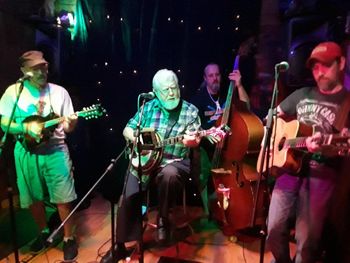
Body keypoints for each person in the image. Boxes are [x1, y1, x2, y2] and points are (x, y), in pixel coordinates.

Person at [100, 69, 223, 263]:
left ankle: (163, 218)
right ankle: (121, 245)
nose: (172, 93)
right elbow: (127, 129)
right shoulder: (148, 107)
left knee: (170, 174)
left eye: (174, 87)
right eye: (166, 90)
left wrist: (192, 141)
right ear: (155, 92)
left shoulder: (189, 110)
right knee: (129, 192)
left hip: (174, 161)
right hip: (145, 160)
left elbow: (195, 141)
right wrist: (137, 139)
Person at [266, 41, 350, 262]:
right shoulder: (302, 94)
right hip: (289, 168)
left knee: (307, 243)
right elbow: (270, 118)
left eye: (325, 66)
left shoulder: (347, 103)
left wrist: (328, 146)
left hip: (321, 175)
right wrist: (280, 132)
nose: (319, 72)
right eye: (314, 67)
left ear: (341, 63)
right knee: (273, 229)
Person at [0, 50, 78, 261]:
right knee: (33, 197)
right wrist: (25, 129)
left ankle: (69, 238)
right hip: (25, 152)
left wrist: (71, 122)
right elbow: (4, 122)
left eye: (43, 66)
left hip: (55, 150)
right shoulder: (12, 93)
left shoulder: (59, 92)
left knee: (64, 196)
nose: (42, 71)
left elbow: (70, 127)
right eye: (36, 68)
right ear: (24, 72)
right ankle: (44, 232)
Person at [190, 63, 250, 215]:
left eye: (217, 75)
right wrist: (207, 134)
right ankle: (208, 212)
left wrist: (239, 85)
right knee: (203, 174)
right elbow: (193, 127)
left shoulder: (228, 93)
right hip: (207, 145)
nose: (214, 79)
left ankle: (231, 210)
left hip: (229, 145)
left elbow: (246, 109)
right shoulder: (198, 99)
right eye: (210, 76)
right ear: (205, 78)